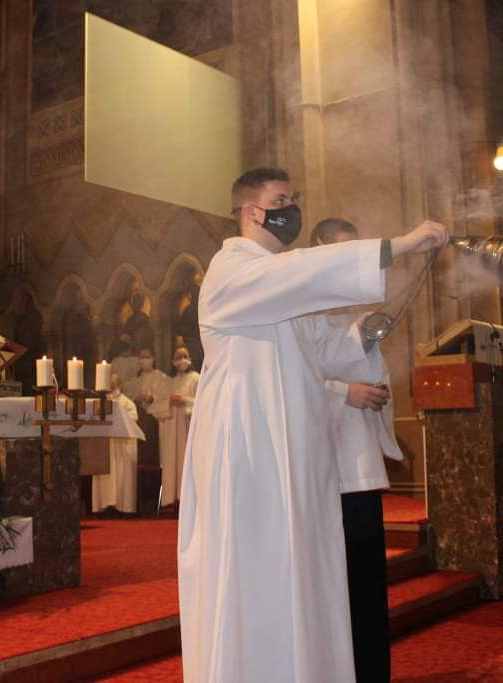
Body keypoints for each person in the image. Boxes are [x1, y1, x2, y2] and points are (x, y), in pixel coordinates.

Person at [177, 167, 447, 682]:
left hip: (298, 450)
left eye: (293, 198)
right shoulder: (230, 270)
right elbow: (302, 273)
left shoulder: (287, 286)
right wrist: (400, 245)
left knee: (303, 569)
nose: (291, 209)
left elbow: (326, 350)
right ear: (250, 211)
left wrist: (366, 330)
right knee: (256, 569)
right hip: (249, 453)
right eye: (281, 200)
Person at [312, 218, 405, 682]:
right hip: (321, 470)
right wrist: (343, 393)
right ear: (319, 250)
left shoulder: (354, 309)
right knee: (333, 584)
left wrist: (376, 387)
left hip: (360, 465)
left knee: (366, 585)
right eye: (343, 251)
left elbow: (370, 370)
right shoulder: (302, 307)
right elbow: (287, 382)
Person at [91, 373, 139, 515]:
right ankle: (104, 505)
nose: (111, 392)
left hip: (122, 445)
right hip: (105, 444)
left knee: (122, 475)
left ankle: (124, 507)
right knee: (105, 476)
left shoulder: (127, 403)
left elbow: (133, 419)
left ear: (120, 386)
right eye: (109, 388)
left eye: (113, 387)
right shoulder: (100, 403)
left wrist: (117, 416)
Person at [159, 344, 199, 508]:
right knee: (172, 462)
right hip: (172, 428)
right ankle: (172, 499)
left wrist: (186, 401)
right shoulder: (168, 382)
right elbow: (157, 406)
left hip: (188, 427)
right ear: (172, 361)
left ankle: (188, 500)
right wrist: (168, 402)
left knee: (186, 461)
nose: (181, 360)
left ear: (190, 359)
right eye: (178, 357)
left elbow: (204, 403)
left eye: (184, 356)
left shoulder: (196, 378)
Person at [127, 347, 170, 472]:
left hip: (154, 419)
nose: (143, 360)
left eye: (147, 357)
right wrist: (136, 398)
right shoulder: (135, 380)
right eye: (141, 357)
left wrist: (152, 398)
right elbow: (130, 397)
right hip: (140, 417)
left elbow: (164, 397)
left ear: (153, 358)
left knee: (152, 448)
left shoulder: (161, 377)